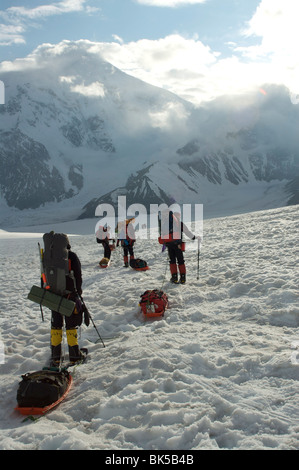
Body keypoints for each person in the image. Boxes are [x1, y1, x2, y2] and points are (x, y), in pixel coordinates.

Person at [50, 236, 86, 366]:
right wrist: (78, 292)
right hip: (69, 296)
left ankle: (55, 356)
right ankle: (74, 355)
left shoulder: (49, 258)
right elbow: (78, 276)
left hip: (53, 297)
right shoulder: (71, 256)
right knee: (71, 326)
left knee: (56, 326)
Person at [160, 211, 199, 284]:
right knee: (181, 260)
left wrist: (164, 246)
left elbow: (163, 236)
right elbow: (187, 232)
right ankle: (183, 278)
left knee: (172, 261)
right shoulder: (179, 223)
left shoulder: (165, 224)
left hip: (169, 245)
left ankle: (174, 278)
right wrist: (194, 238)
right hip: (178, 245)